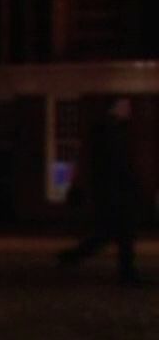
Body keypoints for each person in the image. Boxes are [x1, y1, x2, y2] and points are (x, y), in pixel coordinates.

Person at [57, 97, 147, 285]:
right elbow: (115, 165)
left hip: (114, 192)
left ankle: (74, 256)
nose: (129, 110)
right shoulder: (110, 132)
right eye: (125, 106)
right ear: (115, 108)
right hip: (114, 192)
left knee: (112, 233)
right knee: (120, 233)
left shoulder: (112, 131)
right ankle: (126, 273)